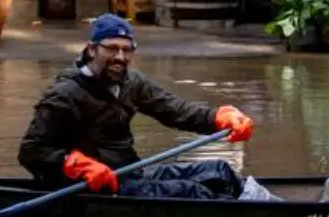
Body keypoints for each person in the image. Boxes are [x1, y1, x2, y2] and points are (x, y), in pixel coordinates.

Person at [17, 14, 280, 201]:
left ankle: (276, 208)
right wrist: (73, 163)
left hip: (132, 173)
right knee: (196, 194)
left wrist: (219, 117)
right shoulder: (65, 94)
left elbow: (177, 110)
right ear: (92, 50)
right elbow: (31, 151)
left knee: (219, 172)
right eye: (112, 49)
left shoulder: (131, 82)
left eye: (126, 50)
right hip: (93, 186)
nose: (120, 57)